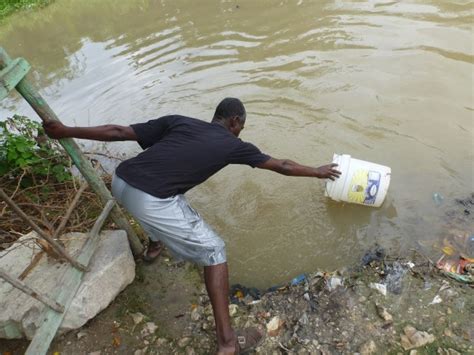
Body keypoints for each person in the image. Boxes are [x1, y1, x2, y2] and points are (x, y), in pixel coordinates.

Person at [43, 98, 341, 354]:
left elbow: (119, 131)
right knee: (215, 251)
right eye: (241, 127)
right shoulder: (233, 145)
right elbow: (283, 166)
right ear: (235, 121)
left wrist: (64, 130)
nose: (240, 132)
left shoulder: (179, 122)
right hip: (150, 199)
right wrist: (317, 171)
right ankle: (227, 343)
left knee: (176, 196)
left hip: (121, 182)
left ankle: (154, 246)